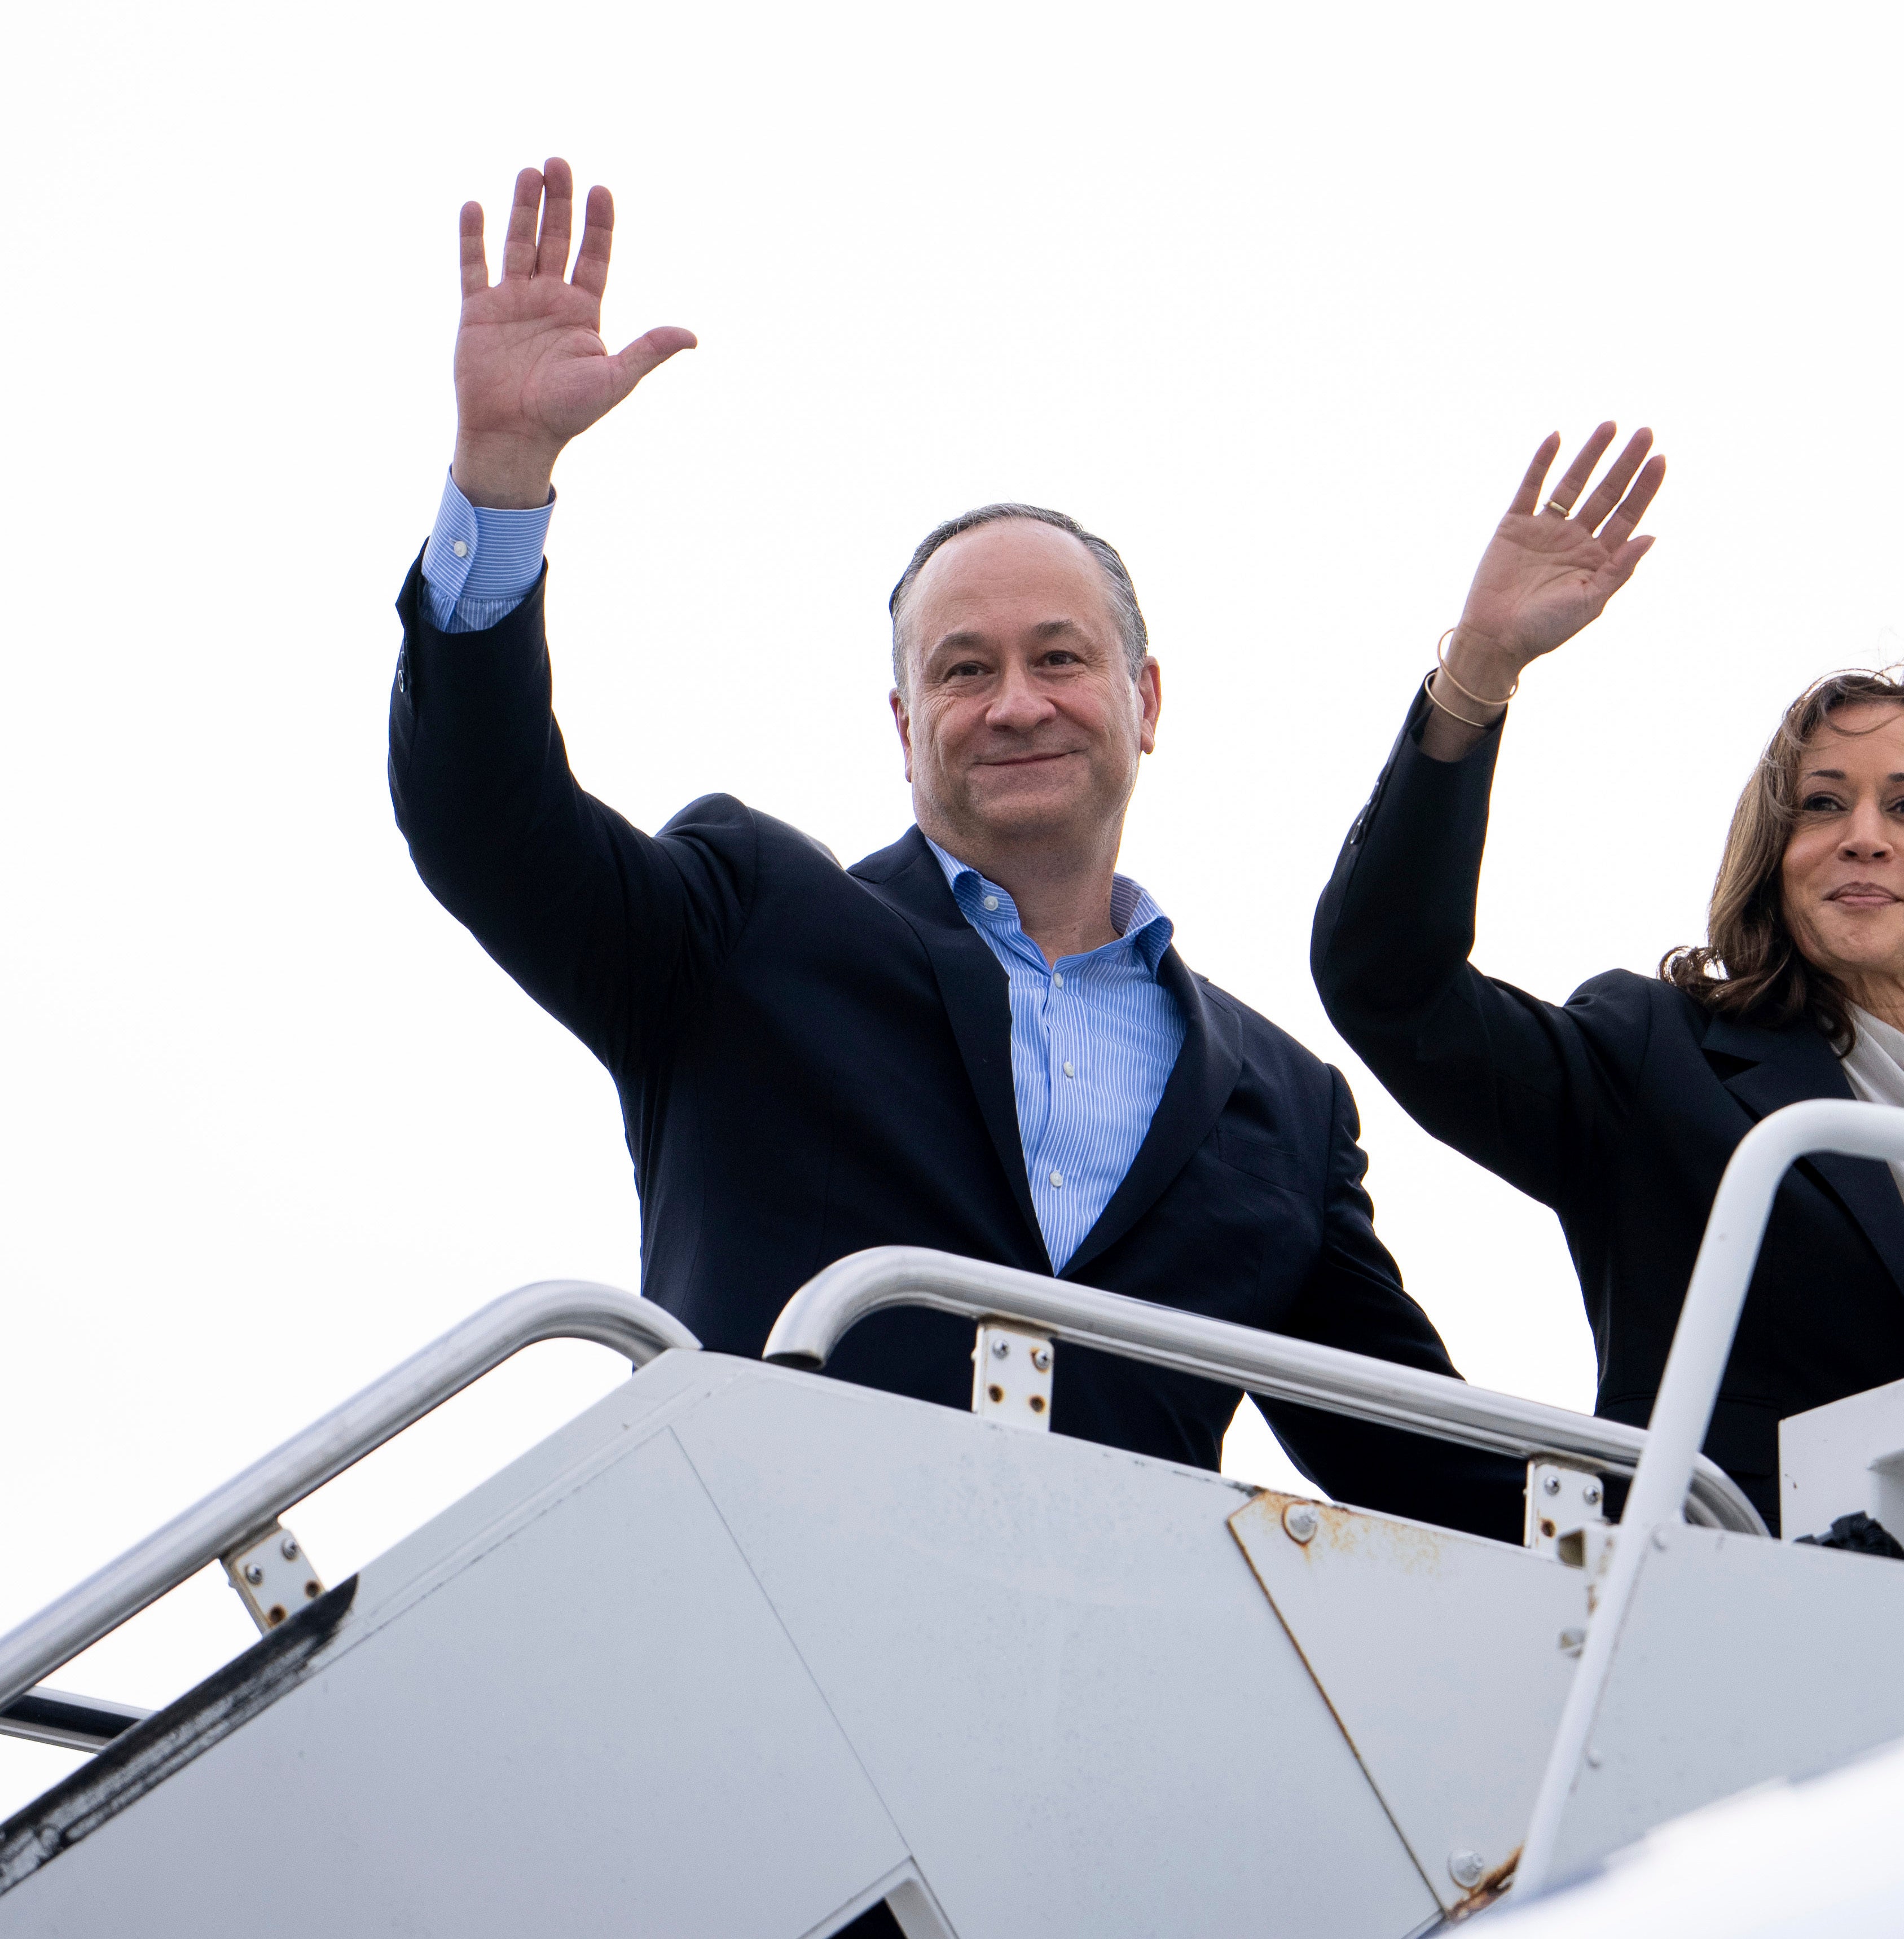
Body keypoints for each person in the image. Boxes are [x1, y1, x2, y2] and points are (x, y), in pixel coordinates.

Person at [392, 157, 1518, 1540]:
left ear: (1145, 702)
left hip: (1112, 1695)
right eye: (964, 669)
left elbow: (1436, 1461)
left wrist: (1742, 1531)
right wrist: (501, 486)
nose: (1017, 703)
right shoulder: (747, 923)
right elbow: (484, 825)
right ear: (905, 723)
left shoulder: (1284, 1109)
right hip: (763, 1638)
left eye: (1060, 658)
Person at [1313, 425, 1904, 1526]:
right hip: (1727, 1627)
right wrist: (1479, 673)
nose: (1862, 836)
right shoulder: (1654, 1059)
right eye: (1821, 805)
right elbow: (1390, 984)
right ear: (1779, 863)